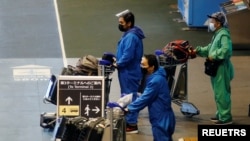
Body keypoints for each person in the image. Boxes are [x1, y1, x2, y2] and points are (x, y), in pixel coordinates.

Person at [194, 12, 234, 125]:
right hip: (217, 68)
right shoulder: (217, 34)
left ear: (218, 23)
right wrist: (198, 50)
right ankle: (220, 114)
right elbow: (210, 48)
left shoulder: (223, 35)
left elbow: (226, 50)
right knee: (218, 93)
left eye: (212, 21)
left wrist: (214, 55)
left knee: (222, 94)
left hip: (222, 68)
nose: (210, 23)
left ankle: (226, 118)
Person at [125, 54, 176, 141]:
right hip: (165, 115)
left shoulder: (155, 81)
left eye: (144, 65)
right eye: (141, 64)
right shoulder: (157, 75)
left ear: (152, 67)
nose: (141, 67)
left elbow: (145, 98)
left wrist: (129, 109)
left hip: (160, 118)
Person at [114, 10, 145, 133]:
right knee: (127, 96)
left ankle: (132, 124)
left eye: (121, 23)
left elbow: (128, 54)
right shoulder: (129, 33)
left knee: (130, 97)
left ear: (129, 23)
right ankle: (129, 120)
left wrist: (118, 63)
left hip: (129, 72)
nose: (120, 25)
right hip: (127, 71)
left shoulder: (131, 36)